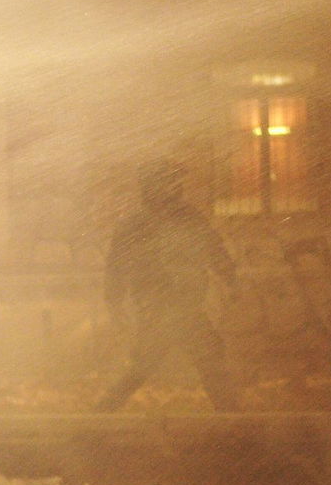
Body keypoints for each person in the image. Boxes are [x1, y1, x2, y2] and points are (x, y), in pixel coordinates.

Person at [95, 160, 240, 413]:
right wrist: (114, 301)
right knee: (171, 362)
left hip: (184, 304)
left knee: (200, 361)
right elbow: (116, 266)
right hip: (157, 306)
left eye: (176, 181)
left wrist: (230, 278)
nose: (177, 186)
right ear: (153, 185)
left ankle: (231, 415)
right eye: (170, 181)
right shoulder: (135, 224)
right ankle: (231, 415)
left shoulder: (189, 218)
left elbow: (213, 248)